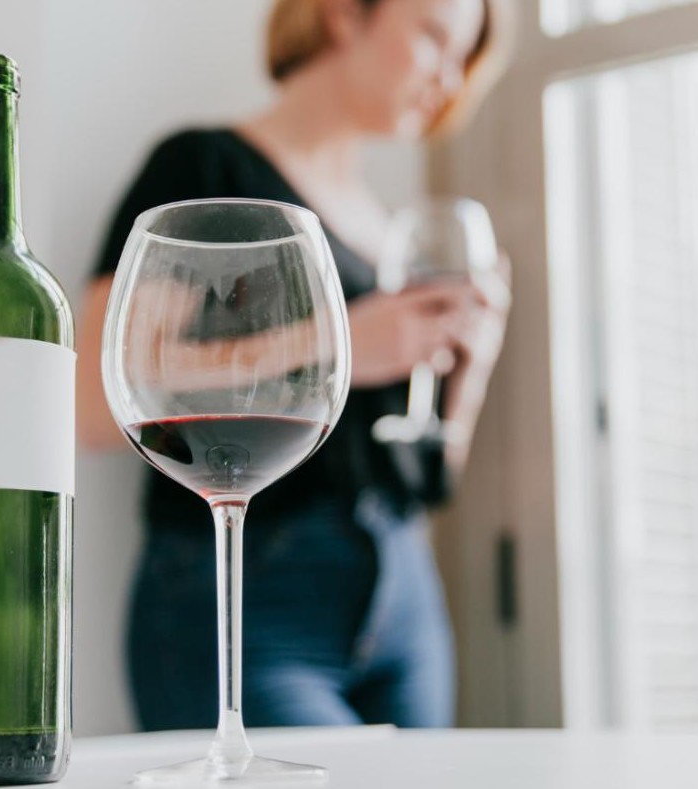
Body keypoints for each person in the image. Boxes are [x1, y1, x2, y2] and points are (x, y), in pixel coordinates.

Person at [77, 0, 511, 730]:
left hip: (406, 596)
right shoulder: (201, 166)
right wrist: (338, 346)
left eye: (463, 58)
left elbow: (428, 478)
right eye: (435, 38)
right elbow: (96, 399)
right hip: (246, 592)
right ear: (343, 14)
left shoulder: (388, 231)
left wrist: (475, 362)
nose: (449, 78)